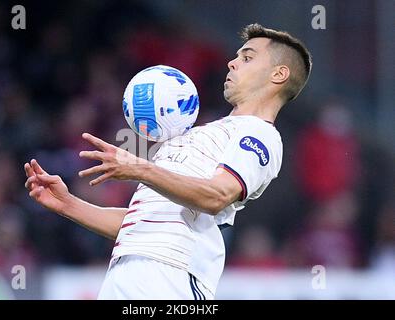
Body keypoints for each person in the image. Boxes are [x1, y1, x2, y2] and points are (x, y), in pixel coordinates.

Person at [24, 23, 312, 299]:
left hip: (170, 277)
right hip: (125, 272)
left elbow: (218, 195)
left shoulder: (260, 134)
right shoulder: (197, 133)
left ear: (279, 74)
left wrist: (140, 168)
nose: (232, 63)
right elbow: (144, 223)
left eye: (247, 57)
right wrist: (69, 205)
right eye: (236, 56)